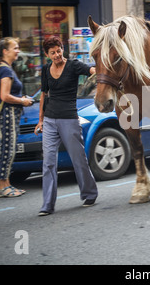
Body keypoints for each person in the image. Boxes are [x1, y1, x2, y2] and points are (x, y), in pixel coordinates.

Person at [35, 36, 98, 216]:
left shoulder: (73, 65)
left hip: (69, 119)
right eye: (52, 52)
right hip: (49, 120)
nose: (57, 55)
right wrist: (40, 120)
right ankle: (47, 204)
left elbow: (91, 70)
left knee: (78, 159)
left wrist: (99, 71)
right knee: (48, 162)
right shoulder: (46, 70)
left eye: (59, 50)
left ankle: (89, 193)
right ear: (47, 54)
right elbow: (43, 95)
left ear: (63, 49)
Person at [0, 37, 34, 197]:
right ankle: (2, 186)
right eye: (15, 48)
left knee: (9, 149)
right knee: (8, 149)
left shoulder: (6, 68)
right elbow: (4, 96)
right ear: (5, 51)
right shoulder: (5, 70)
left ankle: (7, 184)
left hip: (11, 113)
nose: (18, 51)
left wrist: (21, 98)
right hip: (8, 113)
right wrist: (23, 101)